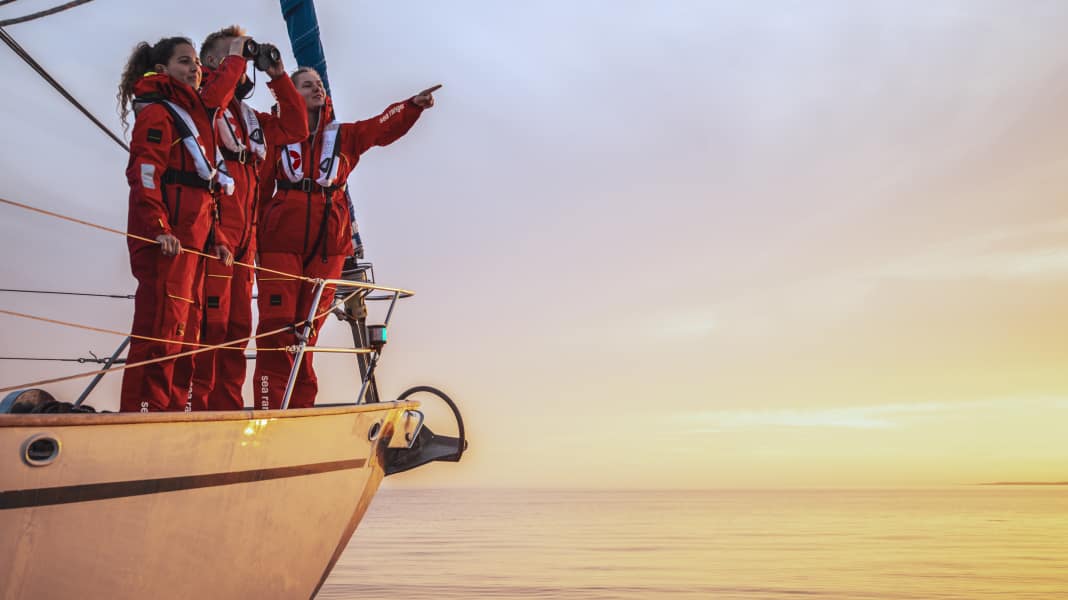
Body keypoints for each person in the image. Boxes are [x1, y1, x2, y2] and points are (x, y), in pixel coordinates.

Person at [253, 67, 436, 409]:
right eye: (307, 85)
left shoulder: (345, 136)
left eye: (319, 84)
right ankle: (267, 407)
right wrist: (252, 238)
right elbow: (260, 188)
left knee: (307, 332)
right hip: (280, 241)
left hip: (328, 244)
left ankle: (300, 410)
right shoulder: (274, 133)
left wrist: (412, 106)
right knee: (274, 329)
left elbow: (382, 127)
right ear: (290, 95)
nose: (316, 89)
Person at [175, 25, 308, 411]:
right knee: (208, 327)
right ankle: (193, 407)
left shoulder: (249, 118)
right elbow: (212, 97)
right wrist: (236, 53)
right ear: (215, 61)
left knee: (237, 329)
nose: (245, 64)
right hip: (215, 230)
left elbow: (296, 127)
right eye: (238, 57)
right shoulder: (202, 103)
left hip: (245, 236)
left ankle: (226, 408)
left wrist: (278, 75)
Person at [117, 36, 247, 412]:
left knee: (187, 338)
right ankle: (144, 416)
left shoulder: (194, 115)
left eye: (195, 63)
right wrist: (159, 227)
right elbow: (144, 174)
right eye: (184, 62)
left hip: (193, 244)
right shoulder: (159, 114)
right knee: (160, 335)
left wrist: (218, 239)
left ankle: (173, 417)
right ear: (162, 71)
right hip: (167, 243)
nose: (194, 69)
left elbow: (206, 187)